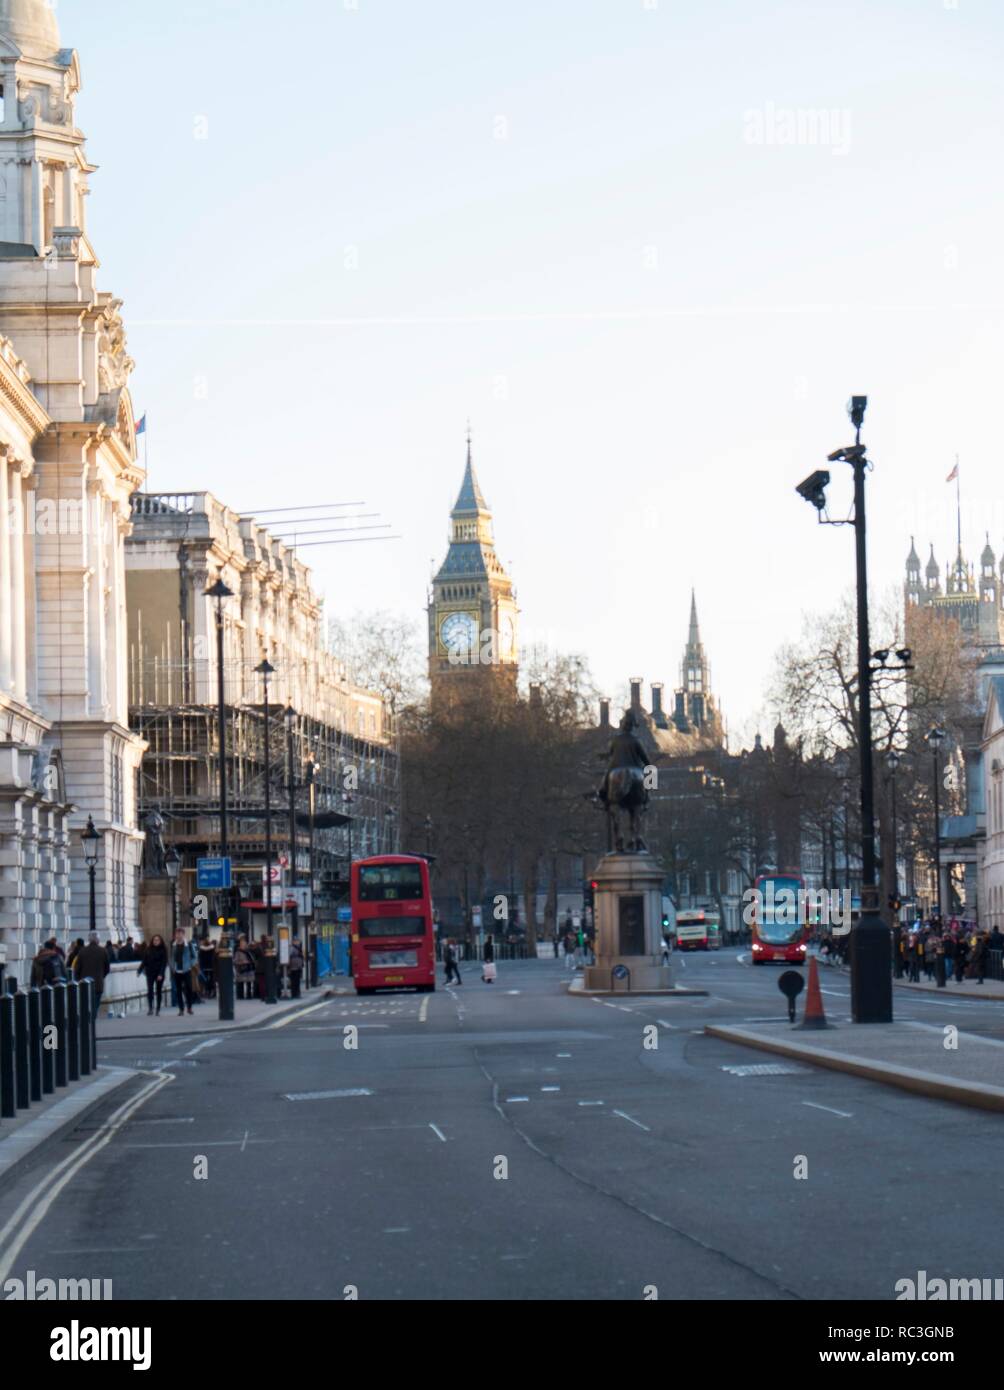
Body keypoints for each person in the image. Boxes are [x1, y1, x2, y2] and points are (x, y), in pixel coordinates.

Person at [73, 932, 110, 1016]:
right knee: (95, 1003)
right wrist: (101, 976)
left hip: (84, 982)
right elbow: (107, 968)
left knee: (85, 1002)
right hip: (98, 982)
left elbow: (77, 968)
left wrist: (79, 979)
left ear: (89, 940)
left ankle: (87, 1017)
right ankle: (93, 1016)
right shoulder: (103, 951)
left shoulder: (82, 951)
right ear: (98, 940)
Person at [138, 934, 168, 1015]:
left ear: (160, 941)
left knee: (158, 991)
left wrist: (161, 974)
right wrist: (139, 970)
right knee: (150, 990)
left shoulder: (163, 950)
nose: (156, 941)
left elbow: (164, 963)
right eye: (155, 940)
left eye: (158, 940)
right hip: (150, 973)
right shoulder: (148, 949)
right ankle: (150, 1008)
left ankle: (158, 1008)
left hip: (159, 973)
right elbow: (144, 961)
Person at [170, 929, 198, 1016]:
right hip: (177, 971)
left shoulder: (188, 945)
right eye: (177, 934)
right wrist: (172, 967)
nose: (178, 936)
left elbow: (194, 956)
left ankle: (189, 1007)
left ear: (183, 935)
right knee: (178, 990)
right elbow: (171, 958)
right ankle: (181, 1009)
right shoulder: (173, 945)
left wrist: (190, 964)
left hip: (187, 970)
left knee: (189, 989)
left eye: (180, 934)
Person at [234, 936, 256, 1000]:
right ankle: (240, 995)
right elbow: (235, 961)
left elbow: (253, 959)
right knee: (240, 983)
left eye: (245, 944)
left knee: (249, 982)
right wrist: (242, 962)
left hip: (249, 969)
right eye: (243, 944)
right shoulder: (238, 952)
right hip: (242, 969)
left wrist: (250, 961)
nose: (244, 945)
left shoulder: (248, 951)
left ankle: (249, 995)